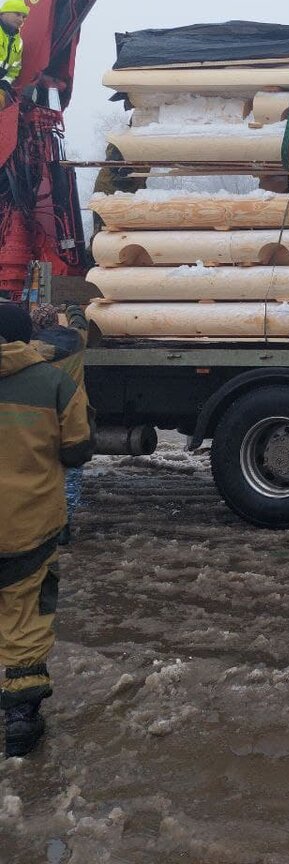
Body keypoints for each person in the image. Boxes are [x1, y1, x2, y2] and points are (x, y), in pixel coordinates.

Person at [0, 301, 92, 757]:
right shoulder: (53, 382)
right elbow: (77, 450)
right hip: (26, 525)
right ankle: (20, 718)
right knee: (24, 617)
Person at [31, 304, 92, 543]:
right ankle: (64, 524)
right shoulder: (77, 340)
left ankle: (42, 524)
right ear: (56, 320)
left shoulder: (30, 349)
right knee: (72, 472)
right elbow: (81, 323)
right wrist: (73, 308)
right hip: (74, 414)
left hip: (44, 416)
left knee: (44, 469)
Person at [0, 0, 28, 105]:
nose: (21, 19)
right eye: (17, 14)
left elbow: (14, 70)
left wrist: (4, 84)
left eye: (23, 17)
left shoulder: (19, 43)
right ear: (4, 13)